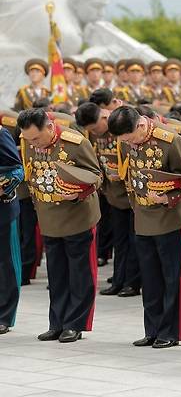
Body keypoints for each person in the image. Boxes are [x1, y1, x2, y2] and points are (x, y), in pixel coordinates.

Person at [108, 105, 181, 349]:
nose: (128, 144)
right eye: (123, 140)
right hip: (142, 216)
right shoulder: (125, 142)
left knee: (171, 277)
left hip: (168, 216)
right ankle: (152, 329)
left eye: (130, 138)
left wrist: (167, 197)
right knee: (150, 277)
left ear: (141, 125)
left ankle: (170, 331)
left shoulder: (169, 139)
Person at [18, 108, 102, 343]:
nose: (33, 143)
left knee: (79, 272)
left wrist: (75, 194)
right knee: (56, 274)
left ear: (48, 127)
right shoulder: (28, 142)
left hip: (76, 215)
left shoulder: (74, 142)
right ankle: (56, 322)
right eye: (28, 139)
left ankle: (75, 324)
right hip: (48, 217)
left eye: (36, 138)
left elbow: (96, 176)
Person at [76, 94, 141, 297]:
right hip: (113, 195)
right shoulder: (93, 135)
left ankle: (132, 282)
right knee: (120, 240)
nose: (95, 133)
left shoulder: (122, 126)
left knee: (133, 241)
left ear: (104, 117)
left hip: (134, 196)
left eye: (96, 128)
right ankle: (119, 279)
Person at [0, 125, 24, 334]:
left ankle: (5, 316)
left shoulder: (1, 134)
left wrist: (2, 186)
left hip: (2, 209)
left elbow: (17, 170)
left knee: (6, 263)